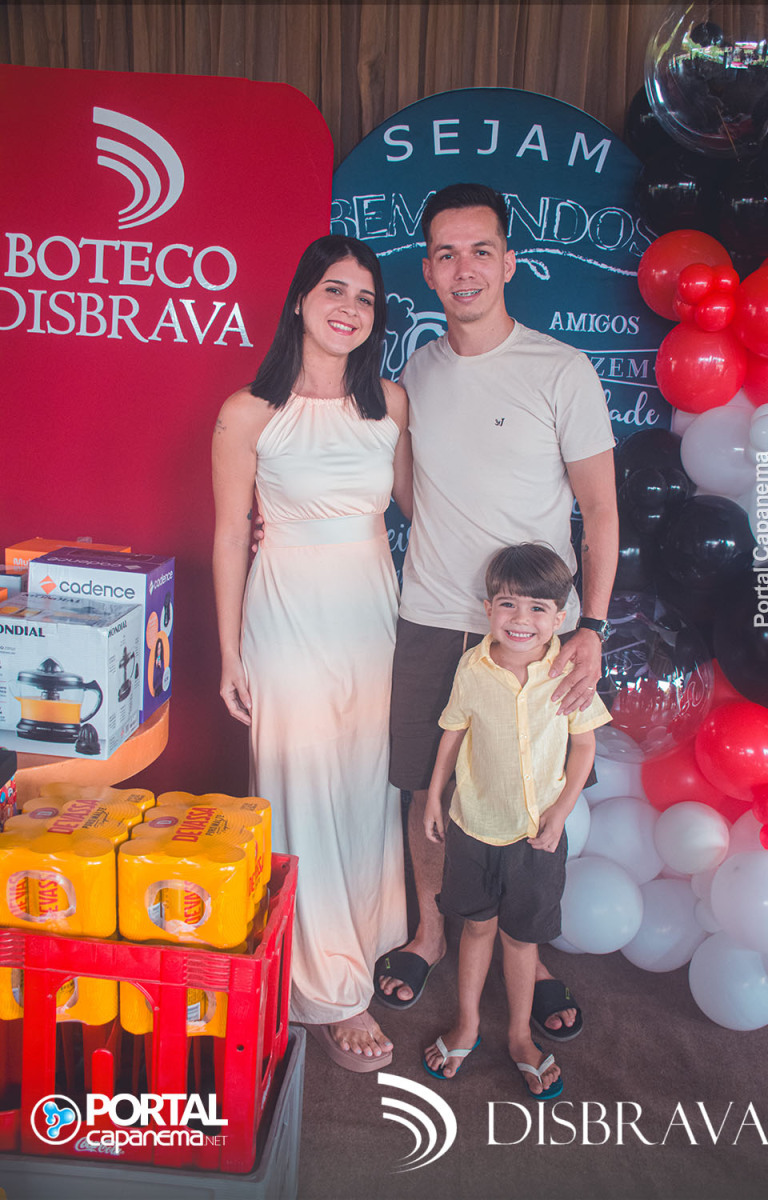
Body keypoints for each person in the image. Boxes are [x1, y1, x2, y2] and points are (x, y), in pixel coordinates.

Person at [376, 183, 618, 1038]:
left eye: (480, 250)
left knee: (525, 788)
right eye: (446, 253)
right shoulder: (419, 371)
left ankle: (527, 950)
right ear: (428, 271)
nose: (464, 268)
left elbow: (601, 511)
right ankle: (431, 931)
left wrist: (590, 627)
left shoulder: (561, 369)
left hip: (529, 630)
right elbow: (411, 491)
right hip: (433, 611)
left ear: (510, 262)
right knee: (426, 783)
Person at [212, 234, 412, 1072]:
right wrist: (230, 653)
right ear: (300, 299)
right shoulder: (247, 412)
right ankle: (328, 991)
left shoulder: (390, 403)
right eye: (335, 290)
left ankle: (361, 942)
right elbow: (231, 534)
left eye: (365, 298)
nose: (349, 309)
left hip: (372, 614)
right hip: (286, 611)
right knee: (299, 788)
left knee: (365, 789)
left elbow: (422, 508)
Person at [422, 543, 612, 1096]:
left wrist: (561, 811)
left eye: (537, 608)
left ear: (560, 617)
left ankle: (520, 1037)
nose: (521, 619)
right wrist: (433, 796)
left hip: (537, 837)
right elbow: (453, 731)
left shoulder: (568, 671)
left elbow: (584, 747)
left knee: (521, 940)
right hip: (474, 827)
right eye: (508, 604)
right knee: (477, 927)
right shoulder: (472, 667)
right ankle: (467, 1025)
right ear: (488, 610)